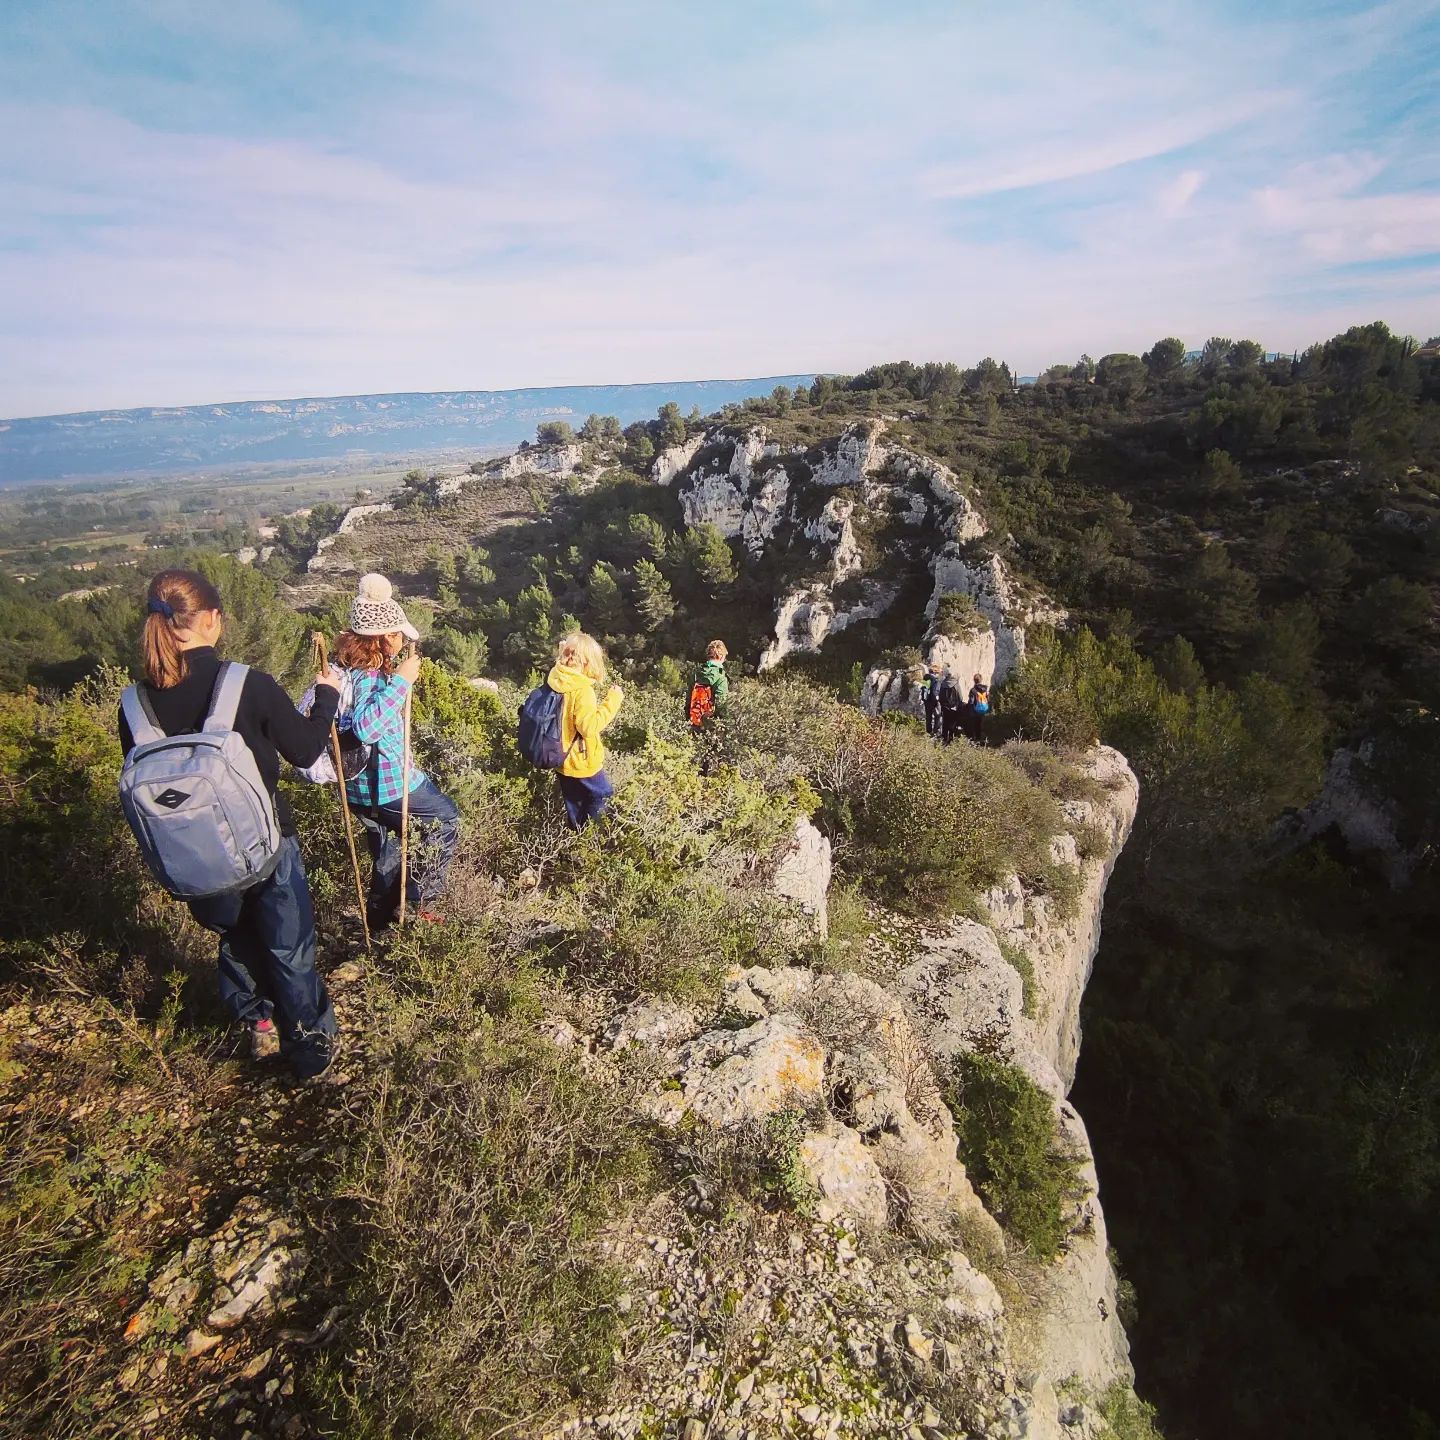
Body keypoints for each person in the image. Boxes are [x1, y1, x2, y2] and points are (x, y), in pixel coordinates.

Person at [118, 569, 342, 1082]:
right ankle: (310, 1052)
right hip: (265, 846)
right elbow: (306, 750)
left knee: (236, 937)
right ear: (213, 620)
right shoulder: (249, 684)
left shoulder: (133, 703)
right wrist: (326, 695)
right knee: (289, 947)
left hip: (192, 855)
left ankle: (257, 1022)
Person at [337, 574, 460, 931]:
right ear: (387, 637)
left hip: (356, 788)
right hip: (388, 784)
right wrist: (403, 679)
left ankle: (377, 923)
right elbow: (366, 728)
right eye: (399, 634)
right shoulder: (372, 674)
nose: (403, 640)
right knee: (446, 818)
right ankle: (422, 903)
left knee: (386, 852)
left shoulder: (341, 667)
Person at [547, 632, 624, 829]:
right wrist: (613, 700)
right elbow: (588, 728)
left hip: (560, 757)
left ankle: (576, 840)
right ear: (589, 662)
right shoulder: (582, 690)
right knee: (603, 794)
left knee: (574, 805)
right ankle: (592, 841)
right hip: (582, 760)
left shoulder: (556, 677)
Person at [687, 639, 730, 731]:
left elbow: (688, 700)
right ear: (722, 656)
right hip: (711, 726)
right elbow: (721, 703)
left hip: (695, 722)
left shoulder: (696, 673)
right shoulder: (720, 677)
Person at [939, 670, 964, 745]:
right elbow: (960, 697)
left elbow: (940, 697)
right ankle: (951, 740)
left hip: (945, 707)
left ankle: (944, 740)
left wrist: (943, 705)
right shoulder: (956, 684)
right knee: (952, 724)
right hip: (954, 708)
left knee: (945, 723)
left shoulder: (943, 683)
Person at [965, 673, 991, 745]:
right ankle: (980, 738)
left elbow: (971, 702)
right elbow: (988, 699)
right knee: (980, 723)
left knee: (974, 724)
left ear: (974, 680)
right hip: (984, 709)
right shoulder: (985, 689)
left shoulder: (973, 690)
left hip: (975, 710)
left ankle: (974, 739)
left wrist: (968, 707)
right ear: (981, 680)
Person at [920, 662, 945, 737]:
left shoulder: (926, 677)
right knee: (938, 715)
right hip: (933, 701)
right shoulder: (935, 680)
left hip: (926, 699)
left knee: (928, 716)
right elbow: (934, 692)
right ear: (936, 672)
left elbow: (924, 688)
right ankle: (935, 731)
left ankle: (928, 731)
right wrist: (937, 700)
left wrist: (924, 699)